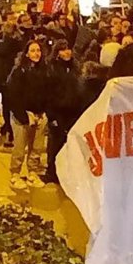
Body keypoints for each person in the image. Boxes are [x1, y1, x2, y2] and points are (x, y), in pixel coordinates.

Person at [5, 40, 50, 190]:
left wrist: (44, 112)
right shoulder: (19, 72)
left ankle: (32, 172)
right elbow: (13, 96)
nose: (36, 54)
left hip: (39, 115)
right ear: (26, 53)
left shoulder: (45, 71)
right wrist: (24, 115)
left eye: (38, 50)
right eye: (32, 50)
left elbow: (47, 93)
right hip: (22, 116)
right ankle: (15, 174)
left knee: (36, 147)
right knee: (20, 147)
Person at [43, 40, 82, 184]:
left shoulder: (75, 68)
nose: (66, 52)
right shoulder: (52, 69)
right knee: (56, 143)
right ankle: (52, 172)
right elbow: (49, 94)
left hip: (72, 112)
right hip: (58, 112)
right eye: (62, 50)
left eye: (68, 49)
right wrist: (51, 115)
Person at [0, 22, 23, 147]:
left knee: (6, 106)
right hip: (14, 80)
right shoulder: (18, 45)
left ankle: (8, 131)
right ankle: (13, 132)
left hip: (3, 79)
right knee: (15, 106)